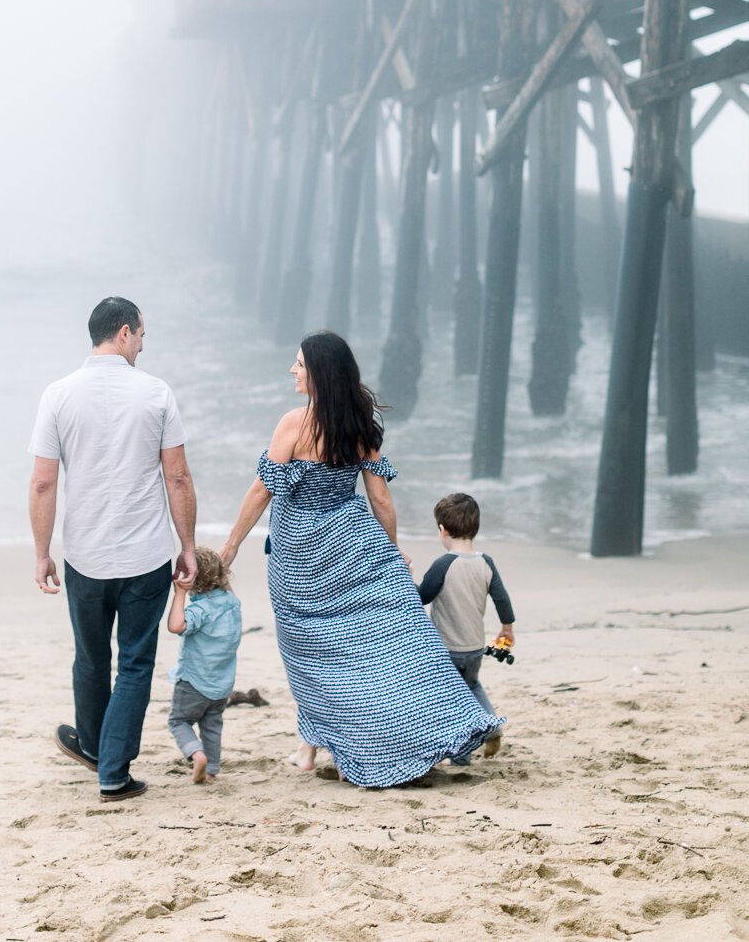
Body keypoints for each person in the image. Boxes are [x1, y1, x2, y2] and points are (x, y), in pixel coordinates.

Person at [220, 331, 502, 787]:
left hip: (298, 556)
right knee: (386, 648)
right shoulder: (359, 422)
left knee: (309, 654)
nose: (292, 370)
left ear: (319, 372)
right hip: (352, 545)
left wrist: (231, 546)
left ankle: (309, 749)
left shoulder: (294, 423)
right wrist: (388, 552)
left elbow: (262, 489)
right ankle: (391, 735)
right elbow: (380, 499)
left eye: (298, 364)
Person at [28, 295, 197, 802]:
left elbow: (42, 483)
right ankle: (112, 768)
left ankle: (100, 750)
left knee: (90, 657)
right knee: (137, 663)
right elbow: (179, 476)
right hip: (145, 554)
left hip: (85, 555)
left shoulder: (57, 395)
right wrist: (187, 545)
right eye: (141, 335)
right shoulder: (156, 394)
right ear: (124, 332)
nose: (143, 345)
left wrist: (42, 552)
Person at [417, 491, 515, 761]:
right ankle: (491, 725)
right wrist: (507, 628)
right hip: (474, 647)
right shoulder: (486, 563)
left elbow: (422, 597)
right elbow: (501, 598)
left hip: (446, 648)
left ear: (442, 530)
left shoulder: (443, 564)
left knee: (448, 698)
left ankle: (461, 757)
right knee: (472, 686)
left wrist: (403, 578)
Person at [167, 546, 243, 783]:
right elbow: (225, 588)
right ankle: (211, 769)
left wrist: (179, 593)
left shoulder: (200, 610)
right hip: (222, 685)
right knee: (212, 726)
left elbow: (176, 626)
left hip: (194, 682)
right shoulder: (231, 603)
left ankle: (196, 754)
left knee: (179, 721)